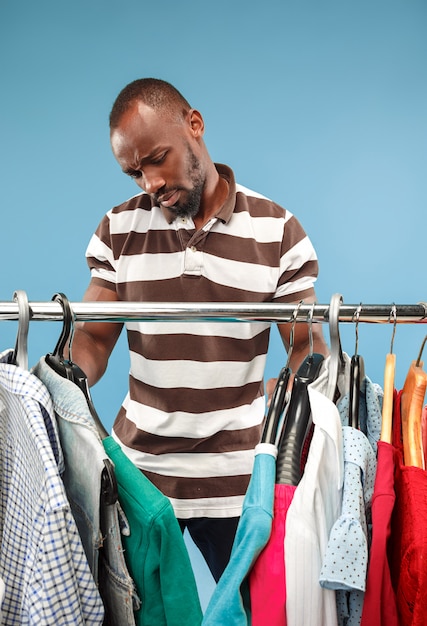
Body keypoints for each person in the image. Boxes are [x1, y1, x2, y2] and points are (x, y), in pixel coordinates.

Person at [70, 77, 329, 582]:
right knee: (133, 615)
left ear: (195, 125)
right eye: (134, 171)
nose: (150, 183)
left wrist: (285, 389)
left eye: (157, 158)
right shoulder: (118, 230)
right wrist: (54, 385)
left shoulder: (278, 232)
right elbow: (95, 339)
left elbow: (306, 349)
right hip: (139, 475)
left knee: (255, 616)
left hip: (236, 479)